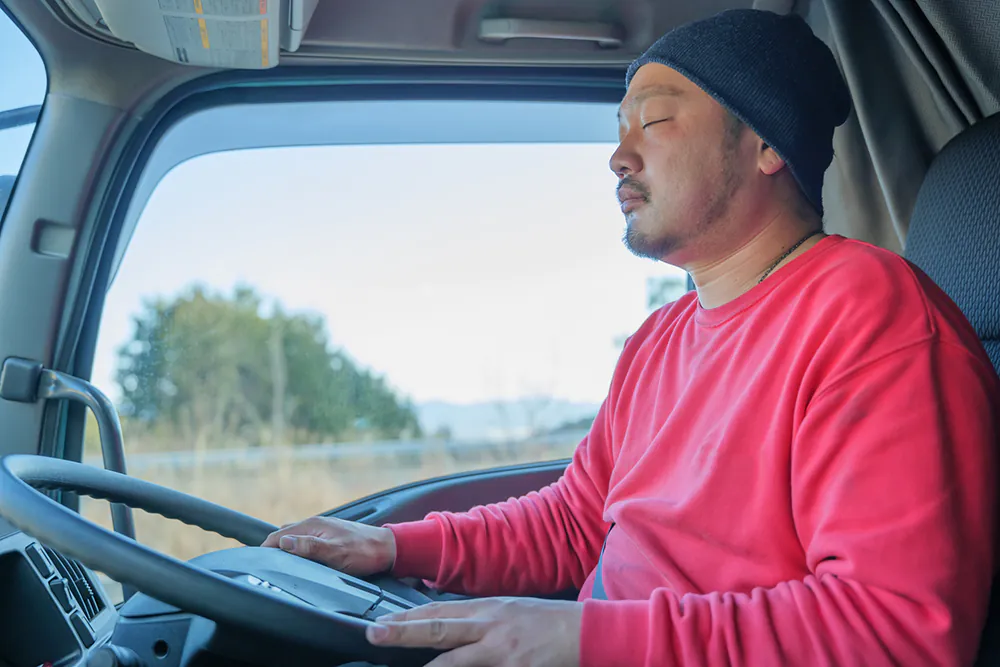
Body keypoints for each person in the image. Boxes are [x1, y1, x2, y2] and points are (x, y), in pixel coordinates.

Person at [263, 9, 999, 666]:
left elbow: (894, 633)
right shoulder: (660, 338)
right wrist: (393, 546)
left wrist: (581, 638)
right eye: (618, 128)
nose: (619, 155)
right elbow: (576, 521)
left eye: (654, 121)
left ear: (767, 143)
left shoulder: (874, 316)